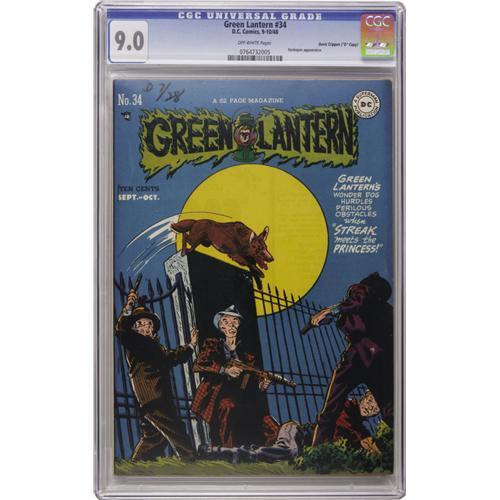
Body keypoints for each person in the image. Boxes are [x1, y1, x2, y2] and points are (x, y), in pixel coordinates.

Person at [310, 272, 393, 446]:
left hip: (358, 359)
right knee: (389, 408)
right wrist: (336, 315)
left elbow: (357, 300)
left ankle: (318, 448)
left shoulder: (361, 293)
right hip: (376, 360)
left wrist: (333, 310)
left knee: (330, 409)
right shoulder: (387, 311)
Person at [115, 288, 198, 461]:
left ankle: (138, 462)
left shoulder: (155, 347)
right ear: (134, 328)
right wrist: (129, 306)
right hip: (152, 396)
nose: (145, 327)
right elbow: (121, 329)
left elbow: (171, 357)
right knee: (176, 428)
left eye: (149, 324)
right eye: (140, 324)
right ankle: (191, 459)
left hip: (156, 396)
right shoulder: (134, 341)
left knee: (154, 436)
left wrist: (190, 345)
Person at [191, 305, 279, 448]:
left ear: (238, 325)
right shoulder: (213, 345)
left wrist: (262, 385)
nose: (231, 325)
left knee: (270, 425)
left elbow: (252, 381)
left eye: (235, 321)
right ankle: (228, 451)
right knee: (228, 407)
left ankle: (271, 452)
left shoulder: (246, 355)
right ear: (221, 326)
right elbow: (200, 364)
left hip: (242, 397)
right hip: (217, 397)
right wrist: (225, 370)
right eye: (226, 321)